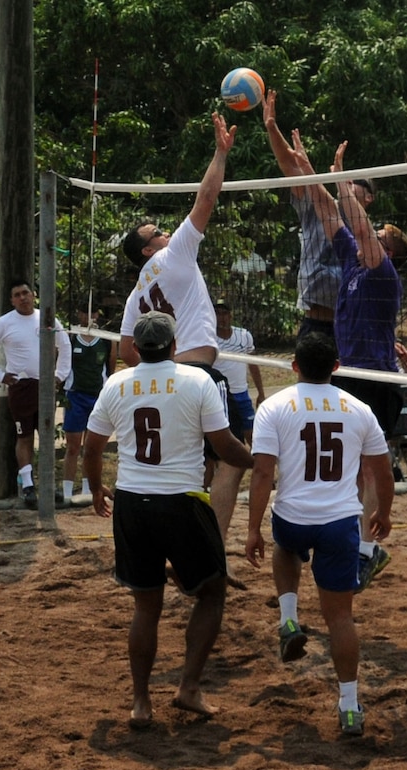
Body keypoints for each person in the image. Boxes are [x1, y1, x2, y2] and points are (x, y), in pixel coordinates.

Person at [83, 311, 253, 728]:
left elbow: (91, 447)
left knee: (146, 605)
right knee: (212, 592)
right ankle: (189, 687)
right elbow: (225, 445)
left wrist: (95, 488)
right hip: (182, 501)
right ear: (175, 346)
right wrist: (261, 464)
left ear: (135, 350)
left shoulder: (116, 383)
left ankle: (141, 702)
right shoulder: (197, 381)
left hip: (132, 503)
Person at [119, 111, 247, 583]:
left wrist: (160, 370)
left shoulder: (137, 293)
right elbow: (207, 196)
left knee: (198, 473)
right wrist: (221, 151)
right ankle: (212, 557)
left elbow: (128, 351)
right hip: (199, 375)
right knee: (235, 460)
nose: (166, 231)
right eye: (157, 231)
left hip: (166, 381)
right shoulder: (175, 257)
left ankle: (193, 555)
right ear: (149, 249)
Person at [246, 332, 394, 736]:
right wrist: (384, 512)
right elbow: (382, 471)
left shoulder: (274, 407)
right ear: (337, 367)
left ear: (294, 367)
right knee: (341, 618)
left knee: (286, 547)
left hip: (293, 516)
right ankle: (349, 706)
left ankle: (289, 619)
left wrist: (252, 529)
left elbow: (262, 473)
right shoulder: (359, 409)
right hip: (340, 523)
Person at [288, 130, 407, 591]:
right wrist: (311, 171)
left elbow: (356, 224)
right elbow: (327, 214)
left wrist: (340, 179)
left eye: (378, 236)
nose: (370, 234)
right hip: (351, 375)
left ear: (390, 252)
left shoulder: (382, 274)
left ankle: (364, 549)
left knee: (368, 464)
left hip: (376, 379)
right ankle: (346, 540)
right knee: (348, 464)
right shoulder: (354, 263)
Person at [263, 89, 376, 342]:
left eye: (353, 180)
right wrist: (272, 128)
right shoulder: (320, 206)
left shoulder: (371, 235)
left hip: (351, 323)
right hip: (315, 323)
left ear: (369, 197)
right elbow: (291, 166)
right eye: (342, 176)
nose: (345, 179)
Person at [0, 279, 72, 508]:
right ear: (12, 300)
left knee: (46, 435)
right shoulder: (4, 323)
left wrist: (59, 375)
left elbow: (65, 346)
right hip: (21, 387)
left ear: (34, 294)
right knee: (24, 437)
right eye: (17, 295)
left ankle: (49, 485)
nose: (23, 298)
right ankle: (28, 486)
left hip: (45, 387)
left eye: (26, 293)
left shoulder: (48, 319)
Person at [61, 297, 116, 498]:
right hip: (75, 396)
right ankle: (66, 492)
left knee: (91, 447)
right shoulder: (71, 337)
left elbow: (110, 371)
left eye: (94, 313)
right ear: (79, 314)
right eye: (86, 311)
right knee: (73, 446)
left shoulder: (107, 340)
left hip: (97, 398)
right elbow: (63, 365)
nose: (90, 316)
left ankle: (87, 490)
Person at [212, 299, 265, 446]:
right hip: (220, 395)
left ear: (230, 316)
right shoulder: (209, 338)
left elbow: (253, 365)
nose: (221, 317)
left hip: (241, 393)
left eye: (224, 313)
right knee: (224, 437)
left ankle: (259, 465)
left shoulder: (243, 336)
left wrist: (261, 392)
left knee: (251, 434)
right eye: (217, 313)